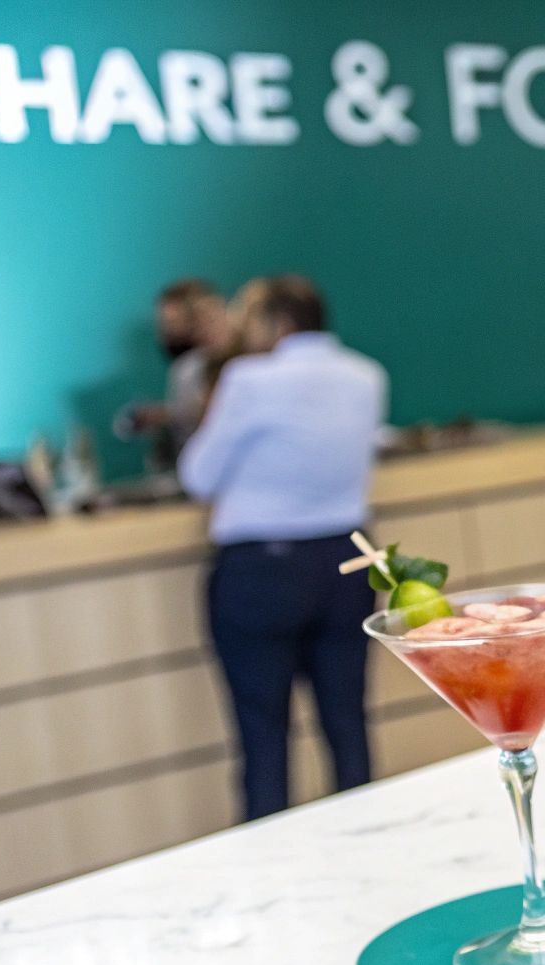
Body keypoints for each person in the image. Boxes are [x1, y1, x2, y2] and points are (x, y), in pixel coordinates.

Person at [179, 275, 388, 820]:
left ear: (277, 323)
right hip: (350, 561)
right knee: (347, 725)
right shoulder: (367, 375)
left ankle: (275, 876)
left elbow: (199, 475)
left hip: (262, 571)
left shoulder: (249, 380)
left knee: (264, 737)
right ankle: (371, 848)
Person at [119, 280, 228, 469]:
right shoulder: (186, 369)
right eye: (164, 323)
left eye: (174, 322)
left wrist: (170, 415)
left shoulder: (248, 365)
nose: (168, 332)